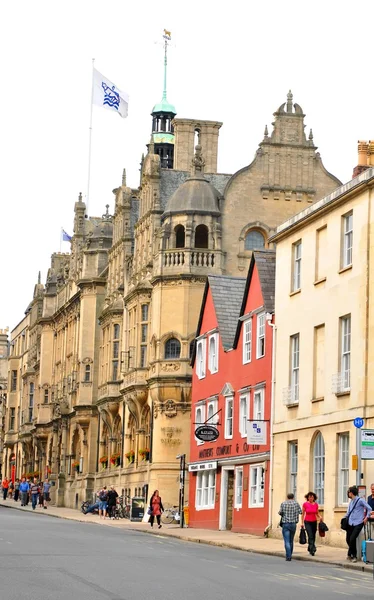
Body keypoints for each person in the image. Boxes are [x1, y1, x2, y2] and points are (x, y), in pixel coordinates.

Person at [344, 485, 373, 563]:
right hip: (351, 522)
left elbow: (369, 508)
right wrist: (344, 518)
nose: (348, 493)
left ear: (351, 493)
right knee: (348, 539)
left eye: (349, 492)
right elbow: (348, 512)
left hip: (359, 522)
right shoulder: (351, 501)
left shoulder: (360, 500)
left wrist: (366, 517)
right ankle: (350, 554)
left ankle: (354, 556)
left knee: (352, 538)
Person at [278, 492, 302, 561]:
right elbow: (300, 512)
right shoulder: (296, 503)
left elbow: (280, 512)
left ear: (287, 497)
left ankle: (288, 556)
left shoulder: (283, 503)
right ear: (293, 497)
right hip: (293, 523)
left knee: (287, 541)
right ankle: (290, 554)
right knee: (291, 540)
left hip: (285, 523)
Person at [301, 491, 322, 556]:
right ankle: (313, 549)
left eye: (312, 497)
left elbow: (317, 512)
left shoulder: (316, 504)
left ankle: (310, 547)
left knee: (313, 535)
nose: (311, 498)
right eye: (310, 497)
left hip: (314, 521)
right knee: (310, 535)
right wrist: (302, 523)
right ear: (308, 498)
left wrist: (320, 517)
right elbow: (303, 514)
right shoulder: (305, 504)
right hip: (307, 521)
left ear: (314, 498)